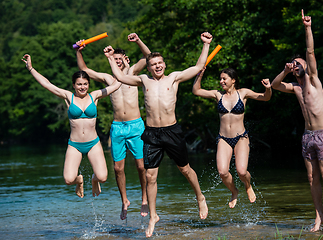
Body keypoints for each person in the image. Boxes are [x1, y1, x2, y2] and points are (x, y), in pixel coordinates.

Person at [104, 32, 213, 238]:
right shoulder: (143, 80)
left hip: (172, 131)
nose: (158, 66)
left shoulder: (174, 78)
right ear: (148, 66)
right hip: (152, 134)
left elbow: (198, 67)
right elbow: (119, 77)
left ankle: (199, 196)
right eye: (154, 64)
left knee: (185, 170)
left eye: (160, 63)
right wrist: (111, 58)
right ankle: (153, 215)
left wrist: (206, 45)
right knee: (150, 175)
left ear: (164, 64)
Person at [271, 9, 323, 233]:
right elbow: (275, 86)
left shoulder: (314, 80)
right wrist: (284, 69)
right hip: (307, 136)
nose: (297, 64)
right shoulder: (296, 88)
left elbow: (309, 51)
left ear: (307, 67)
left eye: (299, 63)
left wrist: (307, 27)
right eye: (294, 64)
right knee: (312, 178)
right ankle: (320, 216)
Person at [21, 54, 121, 199]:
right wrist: (30, 68)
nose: (82, 87)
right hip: (75, 144)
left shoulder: (95, 96)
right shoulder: (69, 97)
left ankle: (94, 179)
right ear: (74, 85)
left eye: (85, 84)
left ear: (89, 84)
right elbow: (47, 84)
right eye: (79, 84)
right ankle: (79, 180)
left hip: (93, 143)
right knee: (69, 179)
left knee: (103, 177)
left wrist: (119, 64)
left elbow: (117, 84)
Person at [75, 33, 150, 220]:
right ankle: (124, 200)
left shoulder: (132, 73)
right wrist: (79, 51)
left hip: (136, 126)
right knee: (118, 169)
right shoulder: (109, 78)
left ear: (126, 59)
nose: (117, 61)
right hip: (118, 127)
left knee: (141, 166)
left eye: (119, 58)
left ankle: (144, 198)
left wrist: (138, 41)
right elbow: (84, 69)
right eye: (113, 59)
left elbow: (148, 57)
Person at [193, 67, 271, 207]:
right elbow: (196, 91)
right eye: (221, 78)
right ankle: (234, 191)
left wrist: (268, 88)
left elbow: (265, 97)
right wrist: (200, 75)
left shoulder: (243, 93)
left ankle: (247, 185)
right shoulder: (218, 95)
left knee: (241, 171)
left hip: (241, 137)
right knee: (223, 172)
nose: (221, 81)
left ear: (233, 80)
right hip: (223, 138)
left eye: (224, 78)